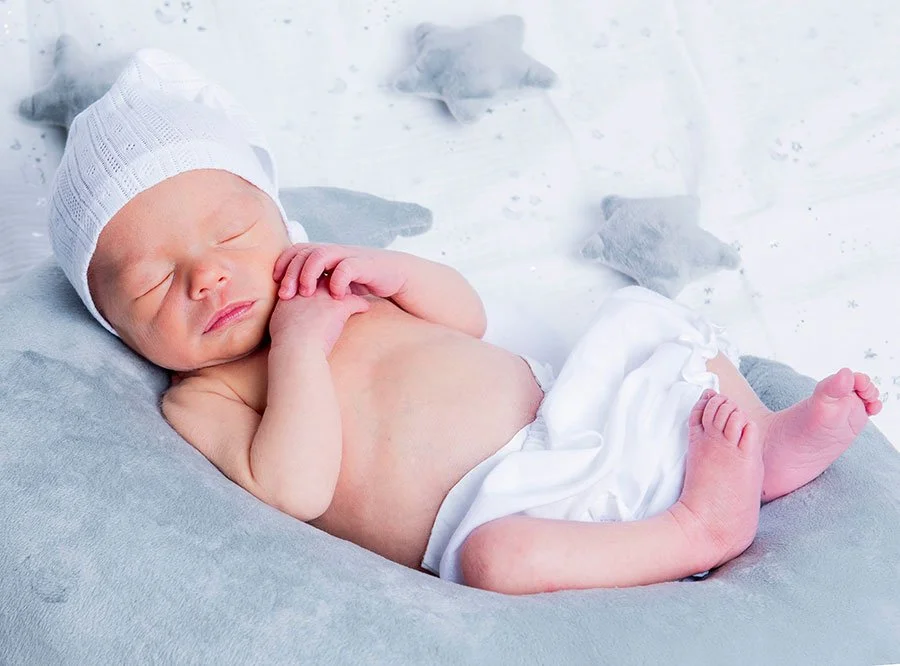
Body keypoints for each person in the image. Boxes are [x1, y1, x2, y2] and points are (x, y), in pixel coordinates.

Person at [49, 49, 881, 594]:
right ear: (113, 325)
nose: (207, 276)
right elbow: (296, 489)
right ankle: (695, 529)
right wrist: (298, 347)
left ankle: (765, 445)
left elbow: (469, 319)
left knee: (647, 320)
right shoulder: (203, 397)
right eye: (154, 283)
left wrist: (396, 274)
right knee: (495, 565)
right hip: (509, 513)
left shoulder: (330, 279)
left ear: (274, 215)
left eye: (232, 233)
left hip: (576, 413)